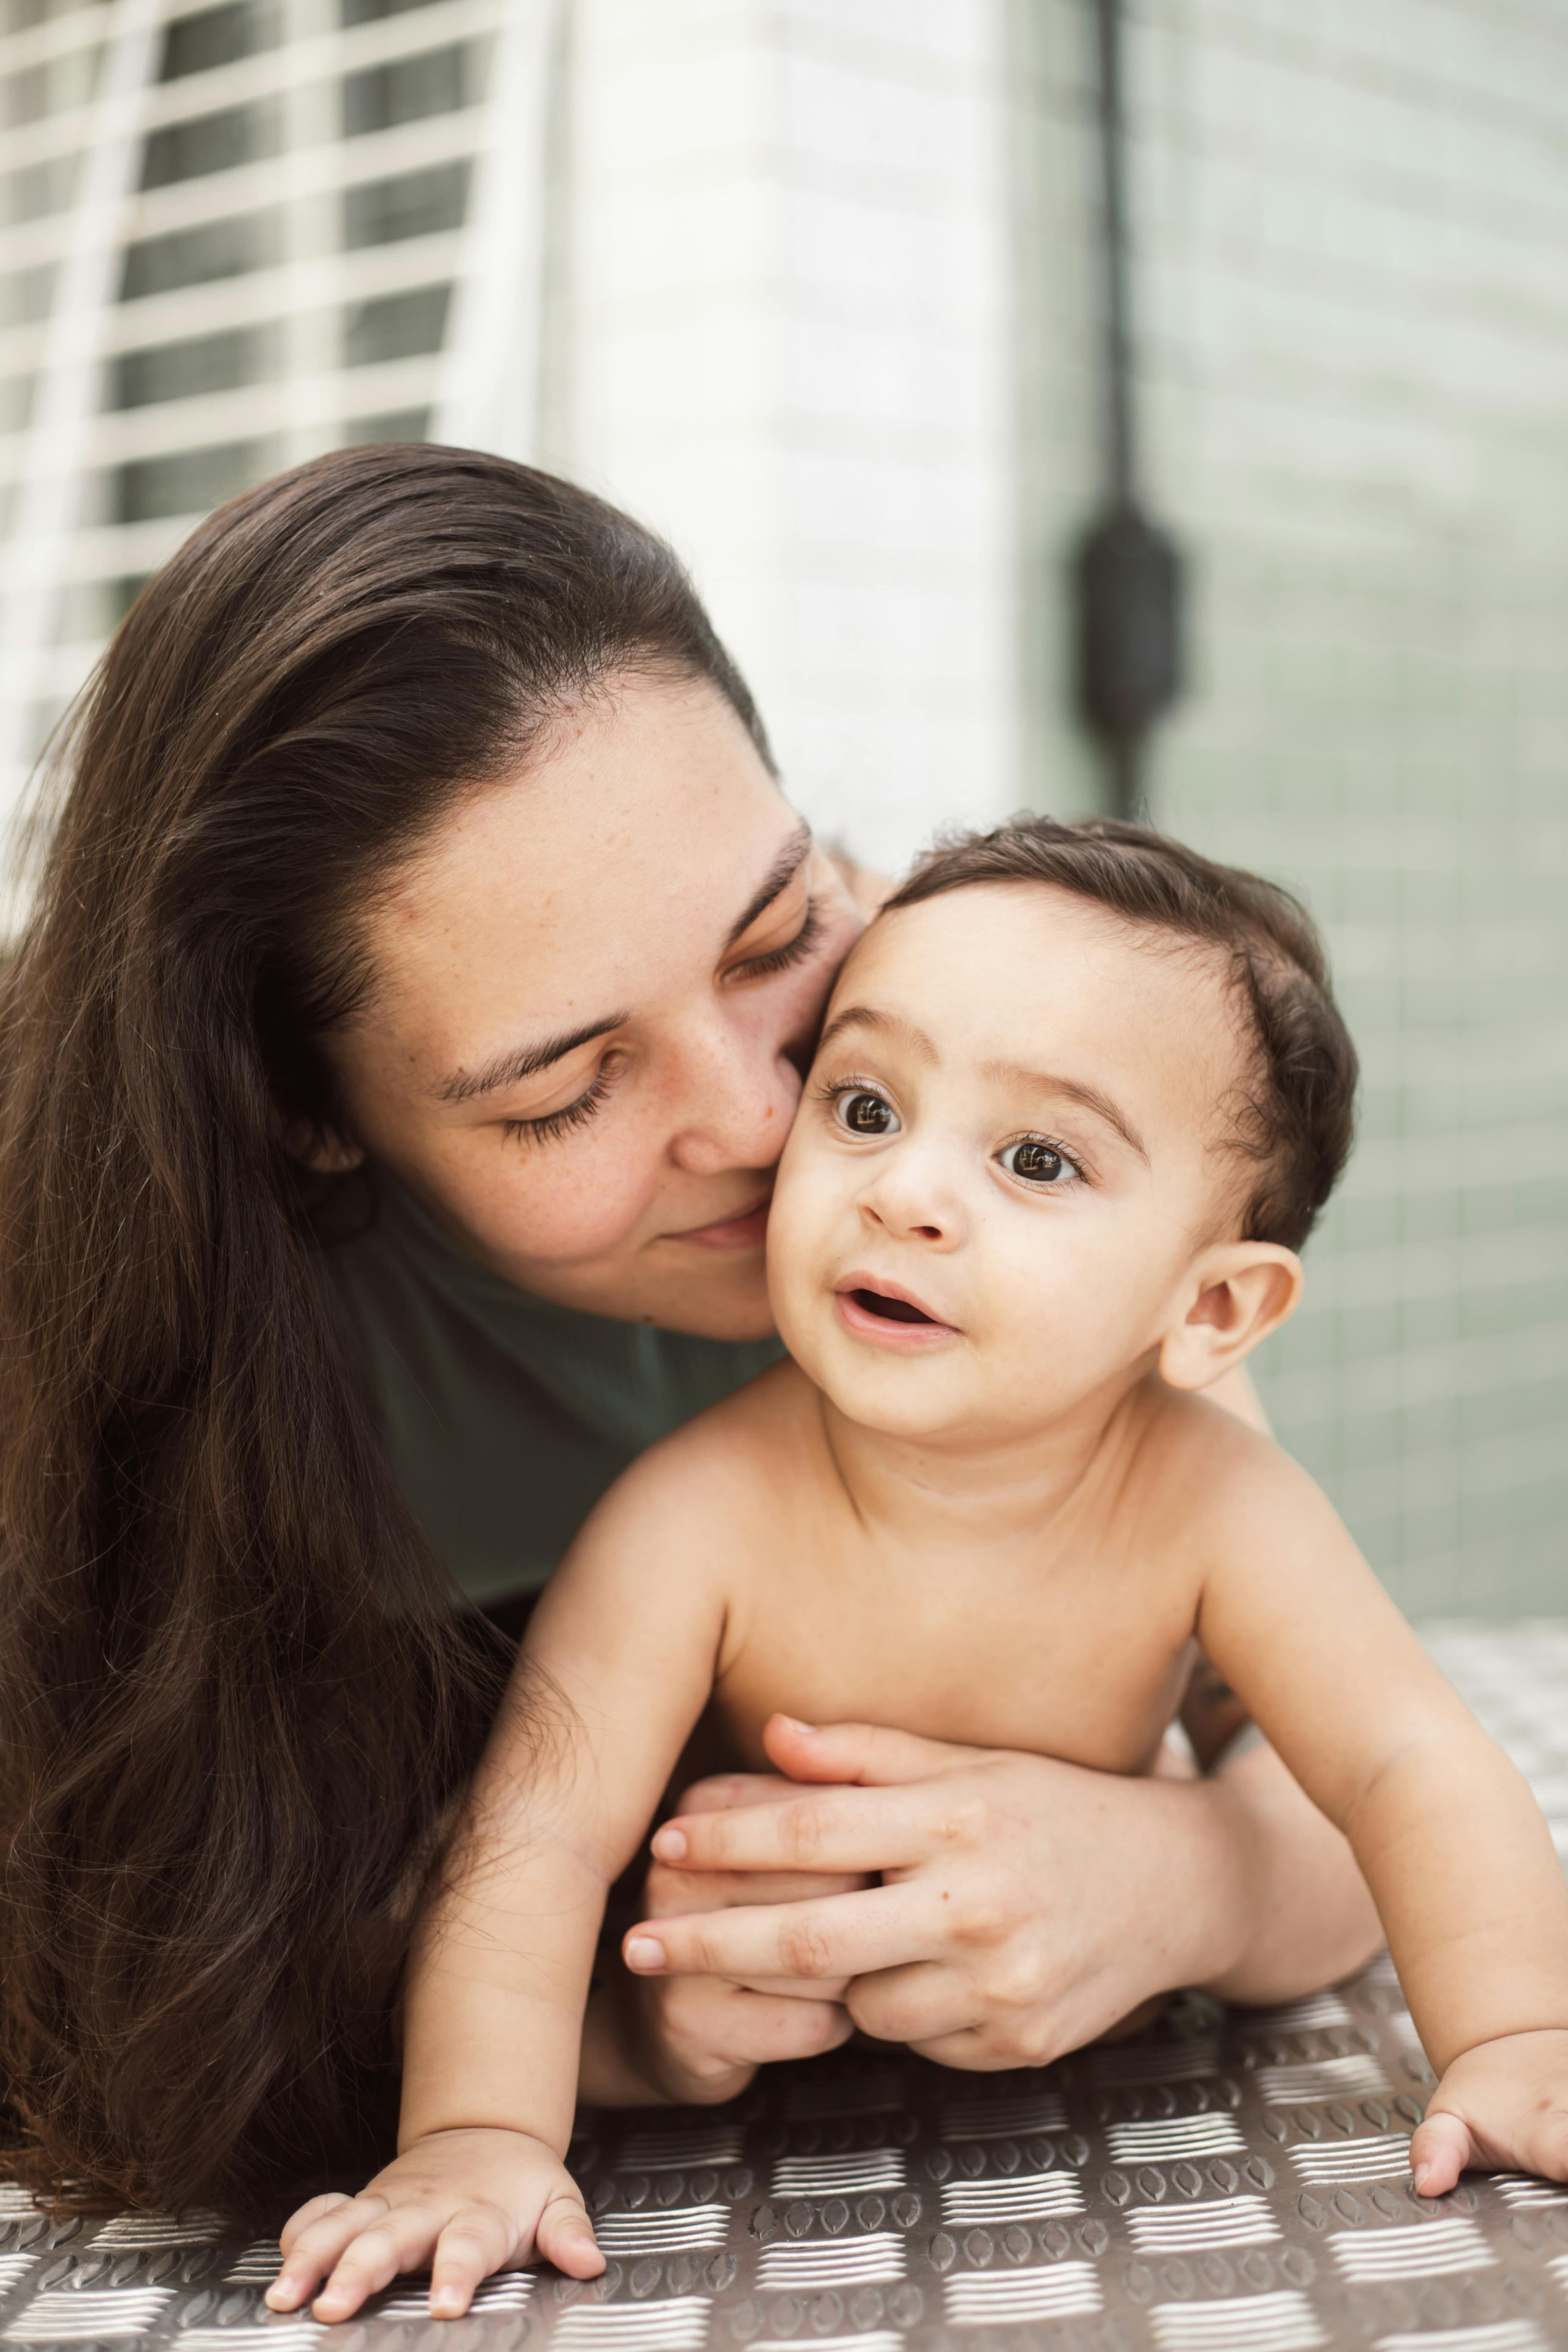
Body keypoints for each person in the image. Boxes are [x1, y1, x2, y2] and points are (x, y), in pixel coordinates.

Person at [0, 450, 1376, 2222]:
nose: (763, 1120)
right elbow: (107, 2003)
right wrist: (607, 2033)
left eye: (777, 931)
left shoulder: (975, 1114)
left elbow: (1348, 1772)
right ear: (302, 1117)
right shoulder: (120, 1353)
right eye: (568, 1090)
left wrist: (1193, 1878)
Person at [268, 817, 1568, 2323]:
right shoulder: (697, 1514)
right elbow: (540, 1836)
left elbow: (1406, 1759)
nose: (904, 1193)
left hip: (1115, 2099)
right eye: (867, 1106)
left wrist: (1520, 2033)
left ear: (1212, 1311)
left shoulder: (1220, 1501)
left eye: (1034, 1159)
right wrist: (479, 2136)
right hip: (758, 2103)